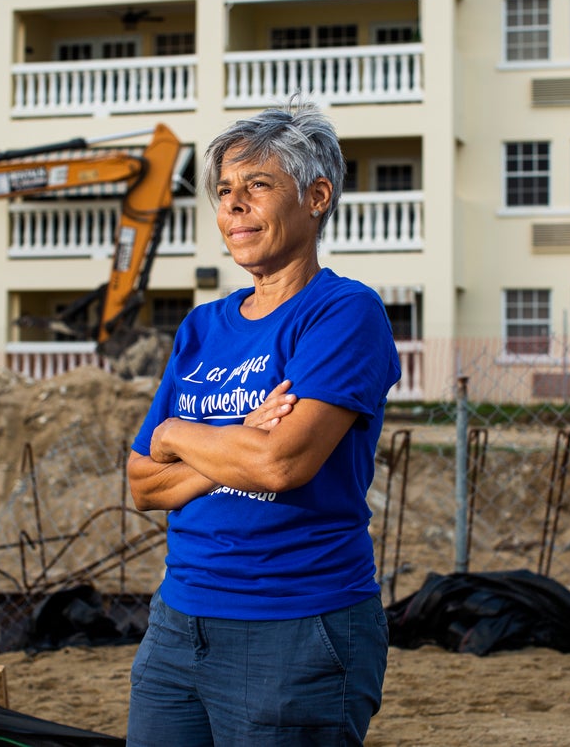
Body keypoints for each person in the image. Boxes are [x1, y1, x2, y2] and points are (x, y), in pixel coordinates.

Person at [125, 98, 401, 746]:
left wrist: (179, 439)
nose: (234, 206)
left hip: (296, 629)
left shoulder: (343, 314)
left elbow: (282, 465)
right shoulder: (201, 328)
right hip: (177, 624)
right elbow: (141, 485)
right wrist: (237, 440)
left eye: (258, 185)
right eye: (224, 191)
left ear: (317, 196)